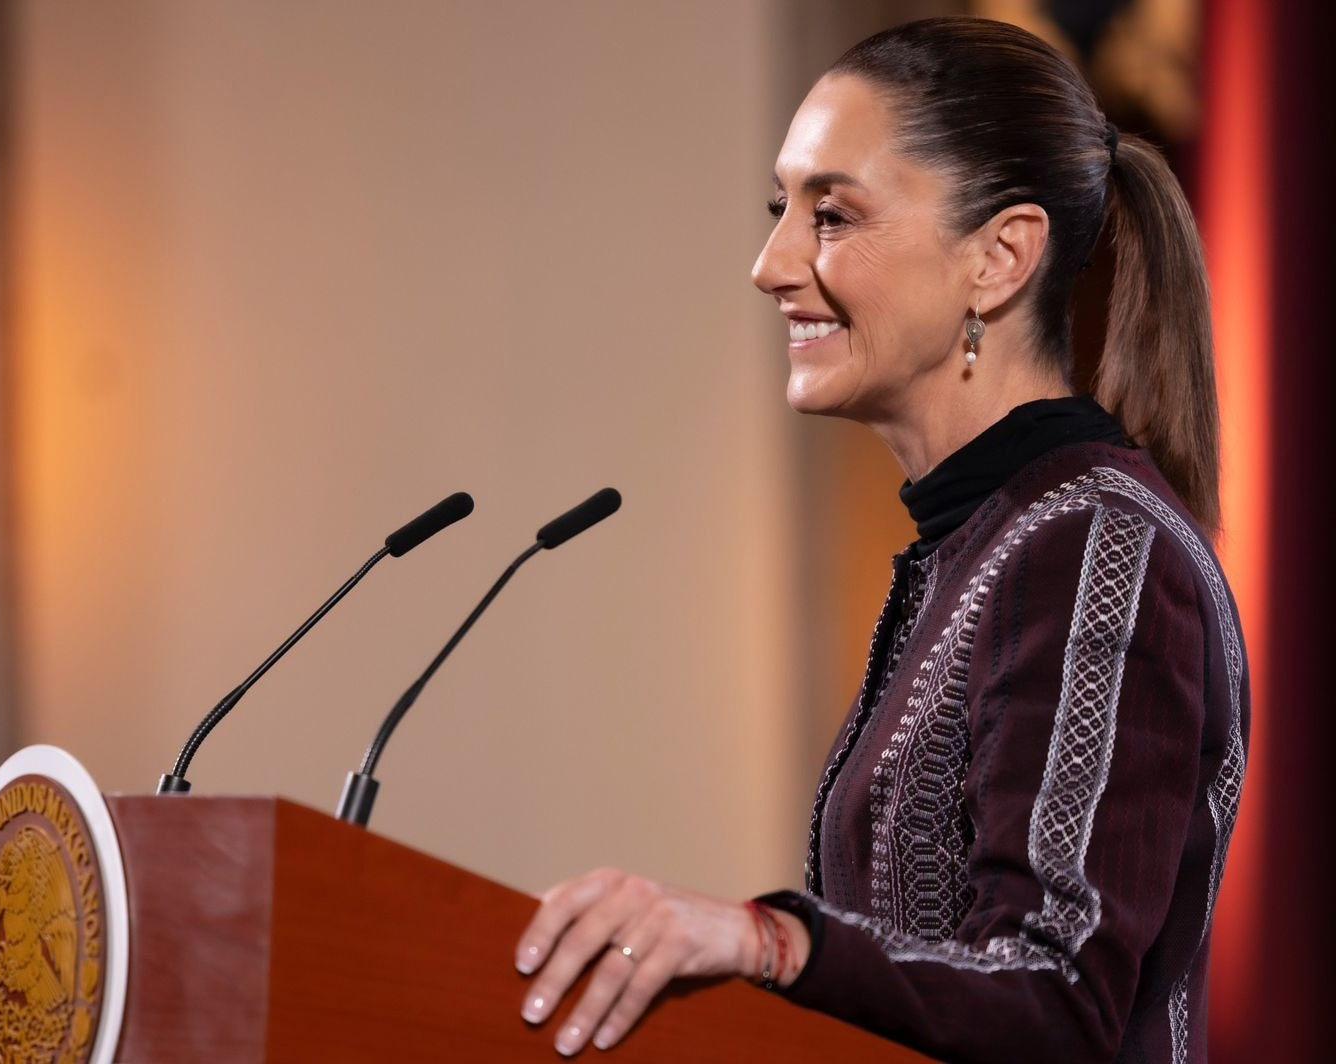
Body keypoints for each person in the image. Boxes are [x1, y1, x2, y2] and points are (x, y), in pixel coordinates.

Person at [513, 16, 1248, 1063]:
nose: (770, 265)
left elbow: (1055, 1001)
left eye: (831, 215)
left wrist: (768, 940)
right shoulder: (988, 541)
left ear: (999, 257)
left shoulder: (1093, 548)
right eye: (779, 210)